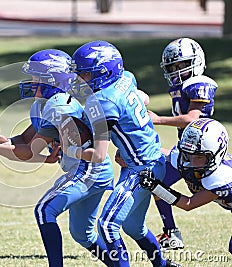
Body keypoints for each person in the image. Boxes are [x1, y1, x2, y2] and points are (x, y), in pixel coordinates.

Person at [0, 49, 115, 267]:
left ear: (53, 80)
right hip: (89, 169)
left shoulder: (59, 107)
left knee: (44, 210)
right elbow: (24, 138)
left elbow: (30, 152)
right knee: (82, 235)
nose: (31, 81)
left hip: (88, 168)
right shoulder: (44, 103)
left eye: (37, 77)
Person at [66, 40, 180, 267]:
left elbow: (99, 155)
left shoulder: (105, 102)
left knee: (107, 225)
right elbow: (143, 98)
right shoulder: (125, 77)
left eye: (86, 75)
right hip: (150, 160)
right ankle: (163, 265)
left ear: (105, 73)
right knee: (133, 226)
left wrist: (70, 149)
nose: (80, 81)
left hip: (141, 170)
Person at [147, 37, 217, 250]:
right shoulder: (181, 86)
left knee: (223, 192)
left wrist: (158, 119)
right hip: (186, 150)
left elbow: (192, 119)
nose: (178, 70)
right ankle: (171, 233)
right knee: (157, 184)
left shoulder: (199, 83)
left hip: (204, 151)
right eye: (174, 66)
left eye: (183, 65)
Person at [139, 118, 232, 254]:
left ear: (217, 154)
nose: (192, 162)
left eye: (199, 157)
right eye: (189, 155)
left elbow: (189, 204)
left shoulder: (221, 177)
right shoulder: (187, 157)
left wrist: (155, 186)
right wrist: (135, 153)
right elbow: (165, 153)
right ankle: (171, 232)